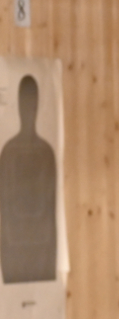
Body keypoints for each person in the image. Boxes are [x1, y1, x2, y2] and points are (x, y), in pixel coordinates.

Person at [0, 74, 59, 283]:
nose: (29, 110)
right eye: (25, 104)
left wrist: (52, 259)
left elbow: (52, 210)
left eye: (32, 104)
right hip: (14, 245)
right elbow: (3, 209)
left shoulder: (46, 152)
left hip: (40, 244)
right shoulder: (8, 152)